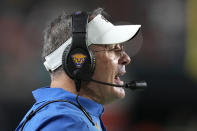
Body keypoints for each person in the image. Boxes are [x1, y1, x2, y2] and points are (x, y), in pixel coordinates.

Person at [15, 8, 141, 131]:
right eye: (114, 49)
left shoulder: (72, 115)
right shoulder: (66, 123)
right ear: (79, 60)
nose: (126, 58)